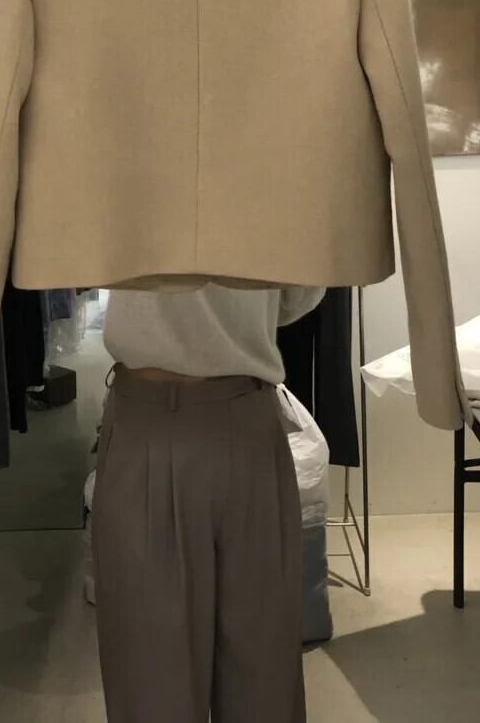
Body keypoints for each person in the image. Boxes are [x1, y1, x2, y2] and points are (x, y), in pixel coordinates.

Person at [93, 280, 324, 723]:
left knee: (150, 675)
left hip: (149, 416)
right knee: (262, 669)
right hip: (243, 418)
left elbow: (72, 261)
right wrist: (236, 308)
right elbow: (299, 294)